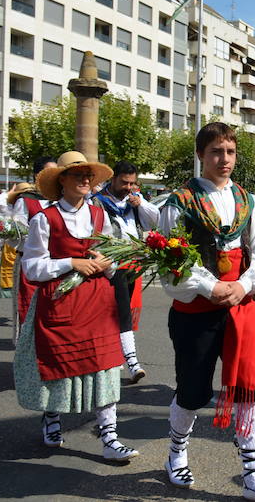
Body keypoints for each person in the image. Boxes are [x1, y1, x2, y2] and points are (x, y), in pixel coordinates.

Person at [158, 122, 255, 502]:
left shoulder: (251, 203)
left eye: (229, 152)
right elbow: (170, 263)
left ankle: (252, 476)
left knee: (249, 391)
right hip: (195, 310)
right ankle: (176, 453)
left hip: (241, 309)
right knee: (192, 392)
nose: (223, 159)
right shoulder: (178, 203)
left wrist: (242, 286)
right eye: (215, 152)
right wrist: (211, 286)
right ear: (200, 156)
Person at [14, 151, 138, 462]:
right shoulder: (45, 219)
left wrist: (107, 263)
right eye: (78, 174)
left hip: (97, 303)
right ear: (62, 181)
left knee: (106, 366)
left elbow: (109, 256)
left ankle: (109, 436)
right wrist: (71, 262)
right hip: (61, 302)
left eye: (89, 175)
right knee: (59, 366)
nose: (85, 179)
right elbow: (32, 268)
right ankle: (52, 418)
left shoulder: (99, 215)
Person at [91, 160, 160, 383]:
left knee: (125, 312)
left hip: (133, 265)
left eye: (132, 183)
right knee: (118, 313)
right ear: (113, 179)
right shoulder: (98, 203)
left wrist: (141, 204)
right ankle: (131, 361)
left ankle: (114, 356)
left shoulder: (134, 203)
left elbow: (153, 221)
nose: (128, 187)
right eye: (124, 182)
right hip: (111, 266)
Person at [9, 157, 57, 343]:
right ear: (38, 175)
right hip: (31, 265)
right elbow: (15, 235)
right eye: (49, 172)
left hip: (55, 266)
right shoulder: (26, 200)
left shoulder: (61, 200)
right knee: (29, 310)